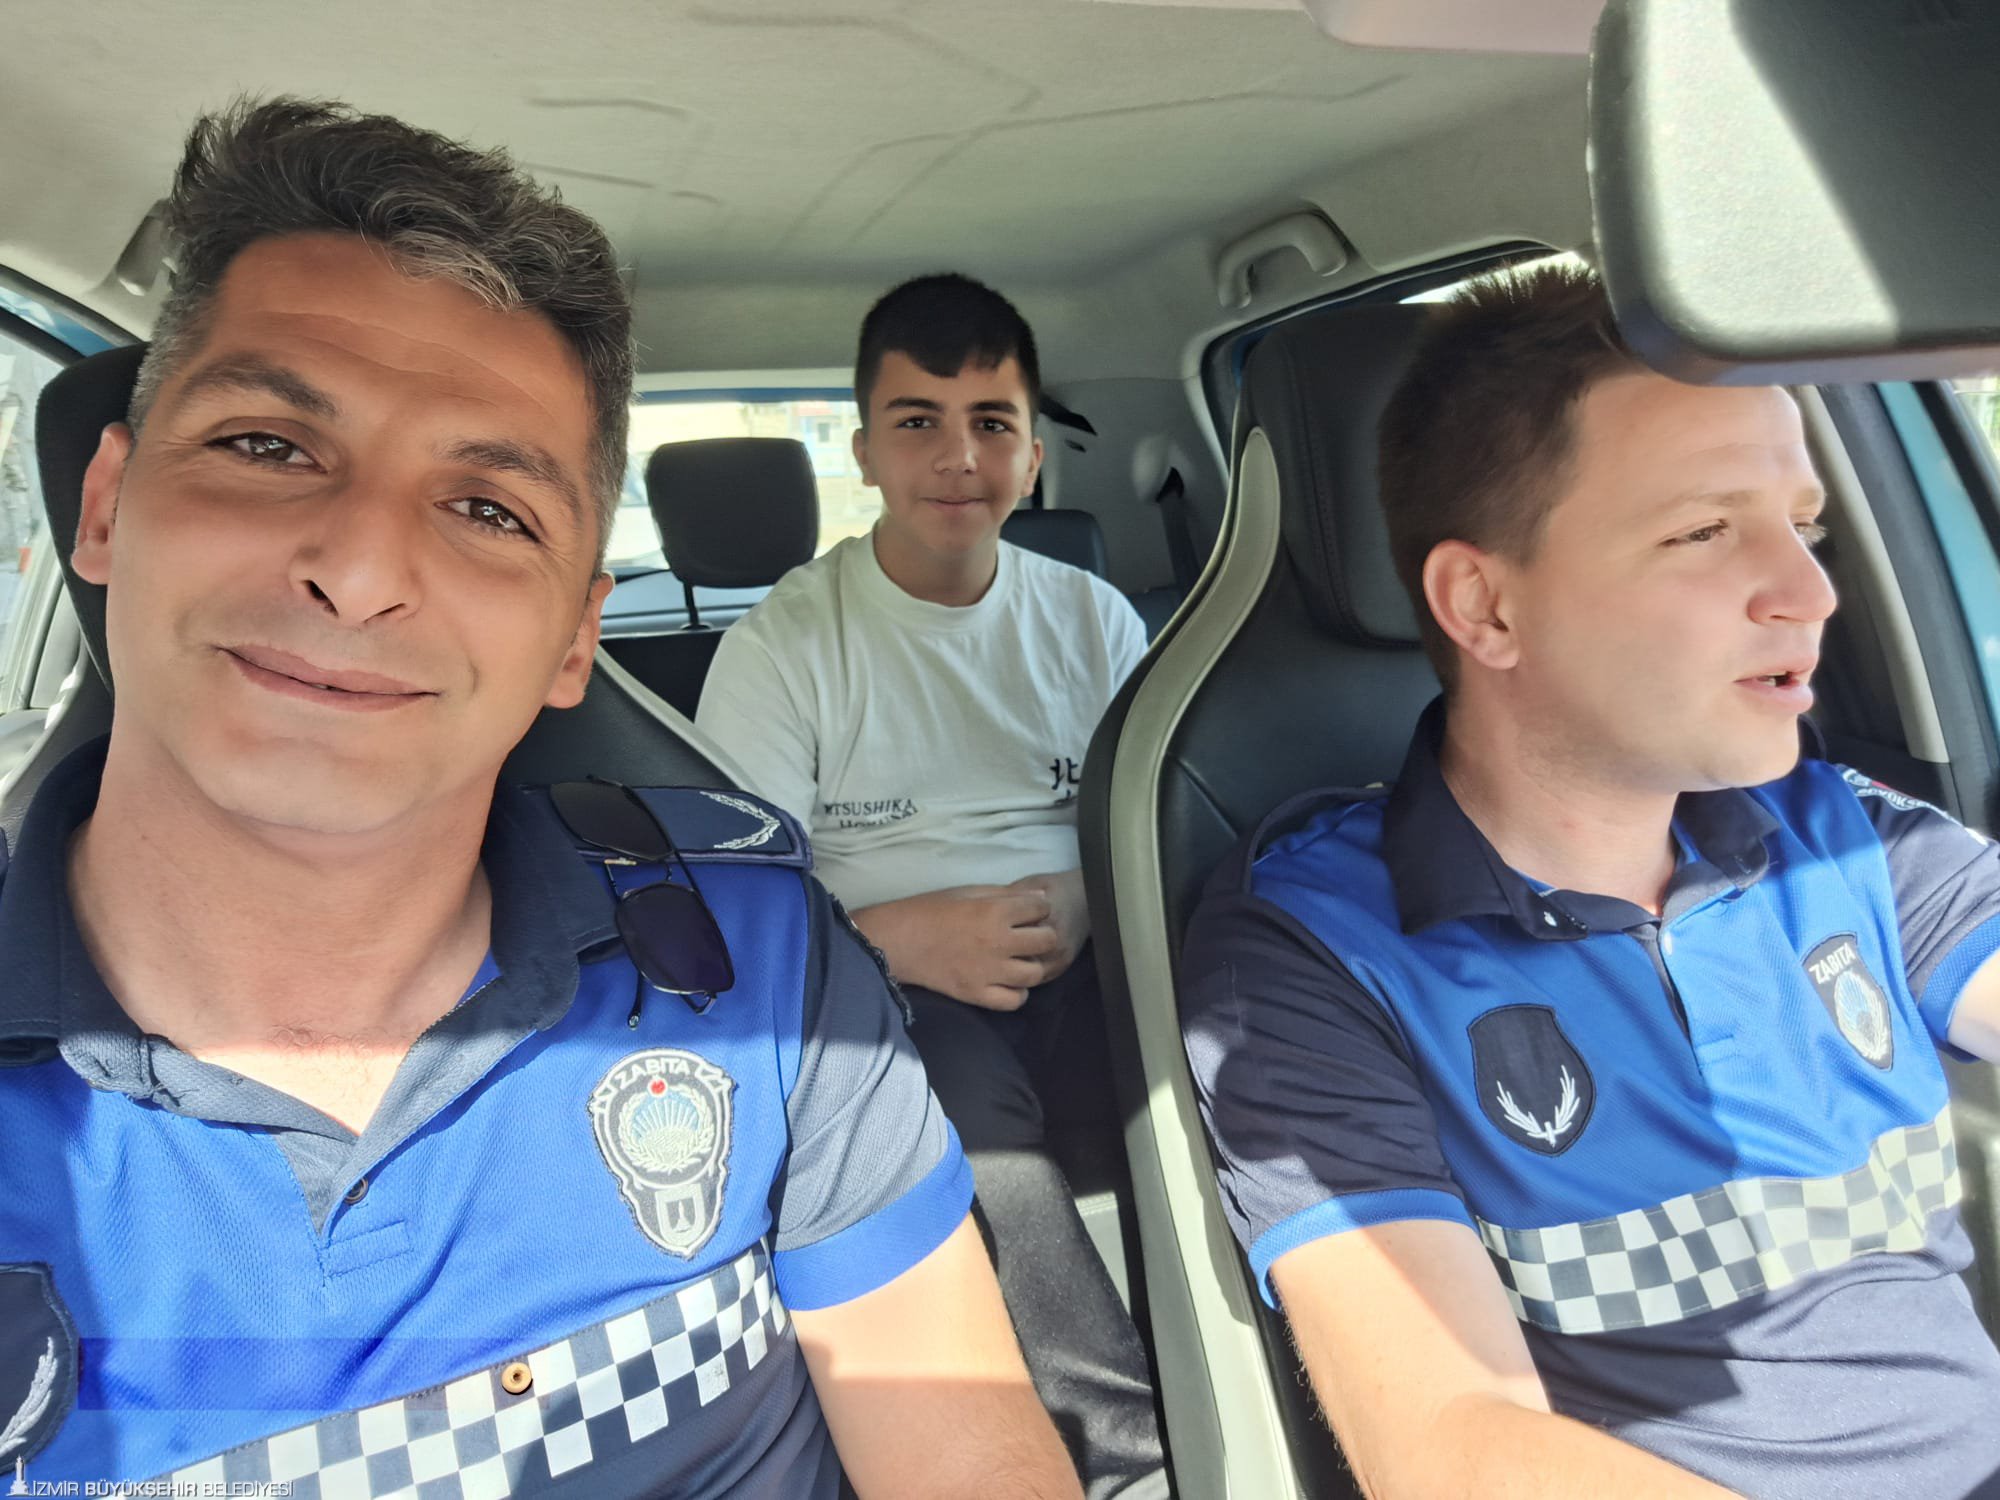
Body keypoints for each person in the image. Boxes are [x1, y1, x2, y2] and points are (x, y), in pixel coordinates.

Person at [0, 99, 1081, 1498]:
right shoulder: (792, 685)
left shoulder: (760, 967)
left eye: (488, 510)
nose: (359, 569)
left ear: (579, 637)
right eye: (267, 445)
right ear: (103, 507)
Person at [1180, 261, 2000, 1499]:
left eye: (1804, 525)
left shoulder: (1850, 838)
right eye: (1703, 531)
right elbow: (1449, 1445)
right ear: (1483, 607)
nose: (1810, 592)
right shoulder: (1315, 952)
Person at [695, 274, 1164, 1498]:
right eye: (916, 422)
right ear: (862, 451)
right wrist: (897, 940)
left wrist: (1093, 896)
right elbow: (732, 905)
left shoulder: (1094, 621)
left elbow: (1155, 822)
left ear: (1031, 451)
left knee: (1220, 1050)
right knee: (962, 1122)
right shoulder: (783, 647)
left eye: (990, 423)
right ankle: (1127, 1462)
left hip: (1097, 956)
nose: (958, 458)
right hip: (888, 984)